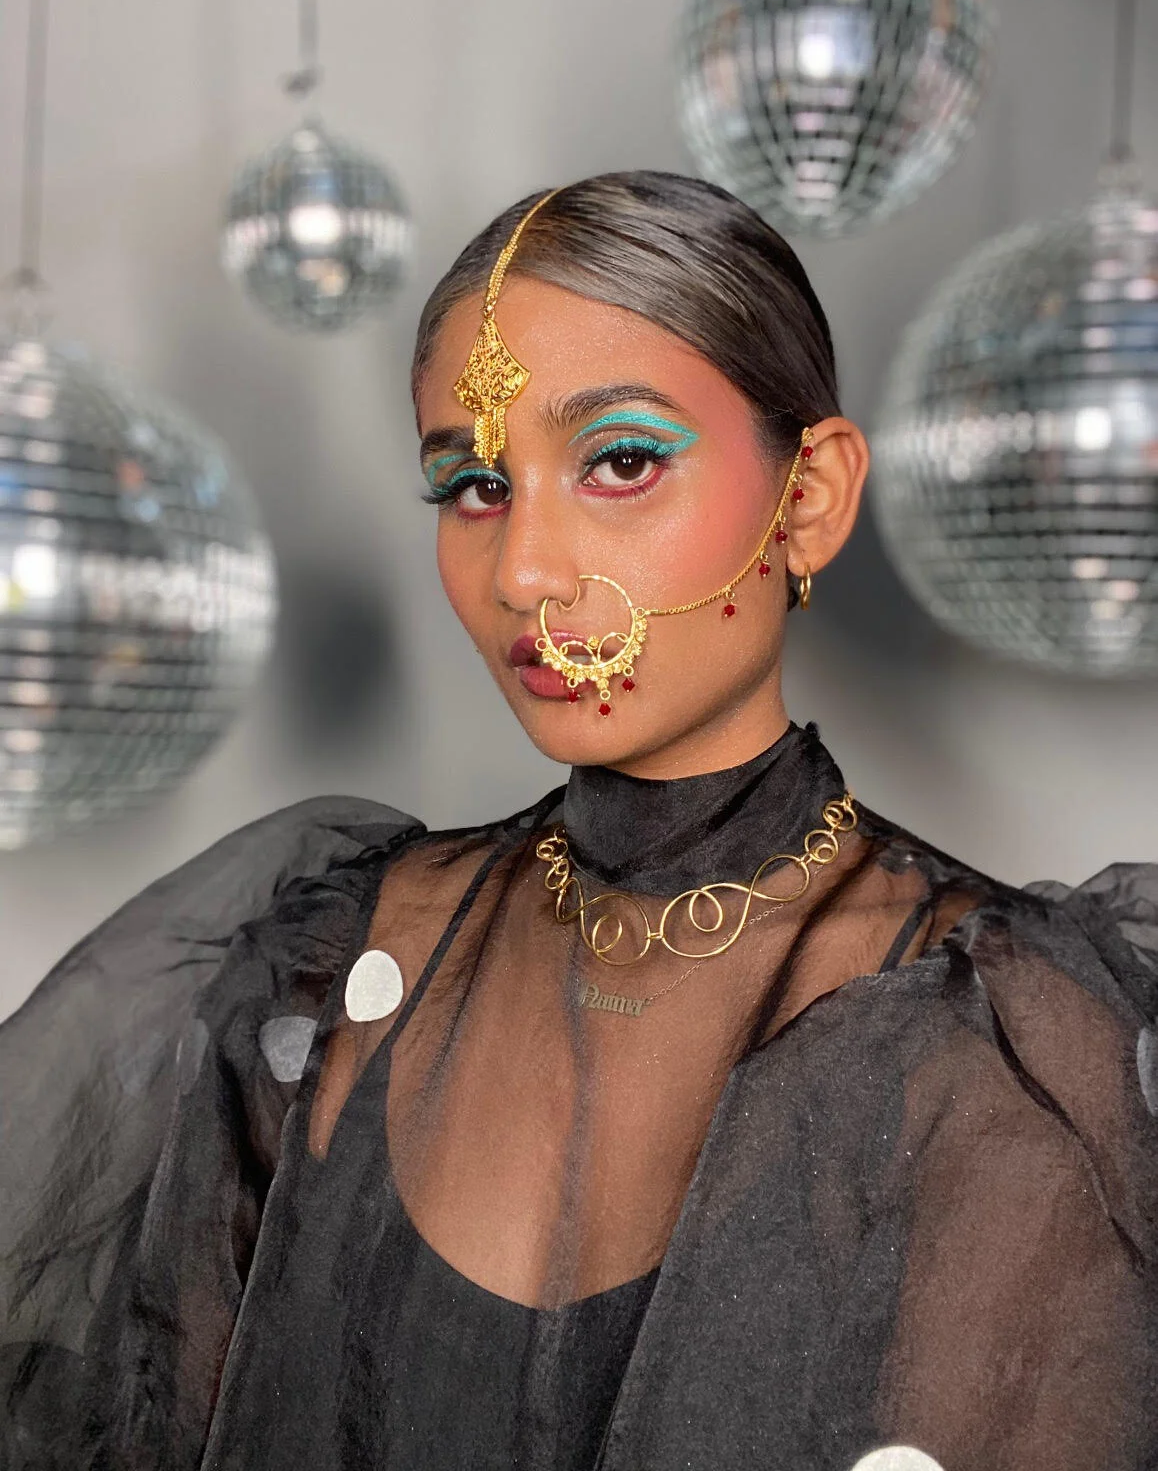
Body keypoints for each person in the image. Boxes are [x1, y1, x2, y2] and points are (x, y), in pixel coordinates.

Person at [1, 171, 1155, 1471]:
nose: (525, 571)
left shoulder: (1002, 1042)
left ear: (809, 497)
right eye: (472, 485)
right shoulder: (324, 970)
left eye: (620, 461)